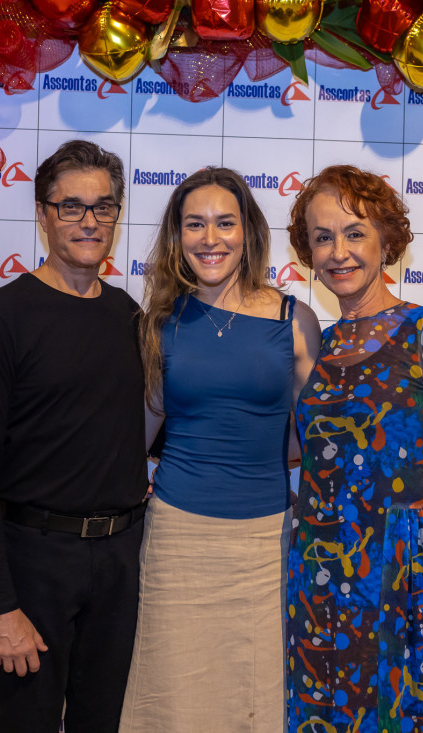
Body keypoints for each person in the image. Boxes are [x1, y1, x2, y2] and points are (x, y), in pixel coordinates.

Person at [285, 164, 423, 731]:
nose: (338, 252)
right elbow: (300, 457)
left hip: (411, 590)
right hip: (322, 590)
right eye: (322, 237)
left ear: (385, 239)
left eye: (354, 233)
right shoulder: (317, 350)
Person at [0, 140, 147, 733]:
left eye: (103, 206)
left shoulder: (131, 318)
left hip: (119, 563)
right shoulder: (1, 318)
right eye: (71, 207)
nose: (89, 221)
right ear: (43, 214)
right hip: (31, 564)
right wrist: (0, 606)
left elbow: (146, 432)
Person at [120, 167, 320, 731]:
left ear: (248, 231)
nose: (211, 238)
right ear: (177, 236)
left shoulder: (294, 320)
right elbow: (141, 433)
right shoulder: (160, 323)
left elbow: (312, 440)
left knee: (258, 701)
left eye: (225, 223)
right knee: (171, 702)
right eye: (195, 224)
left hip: (267, 542)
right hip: (176, 538)